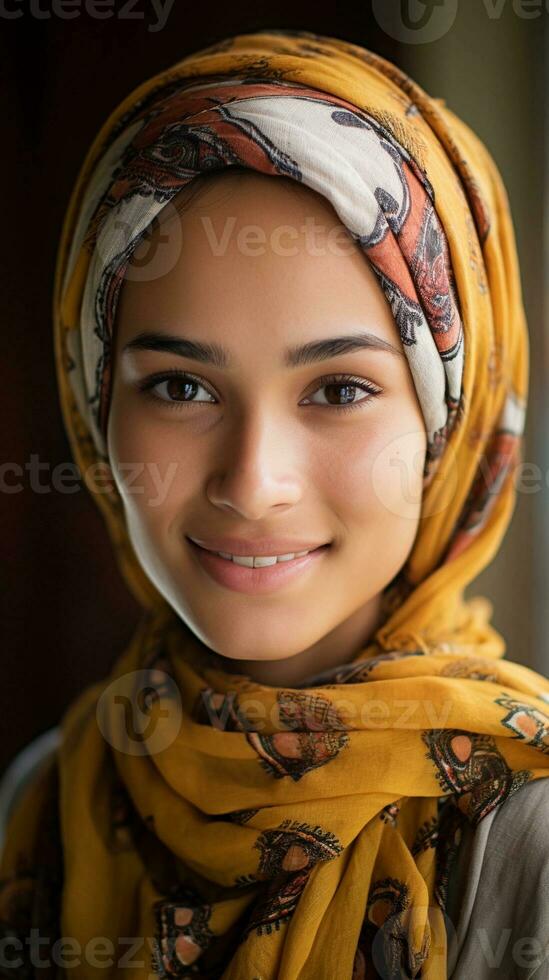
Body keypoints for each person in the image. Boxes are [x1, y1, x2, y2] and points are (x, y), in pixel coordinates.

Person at [1, 27, 549, 980]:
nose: (254, 483)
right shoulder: (49, 797)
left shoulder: (527, 832)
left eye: (338, 389)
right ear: (95, 409)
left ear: (449, 433)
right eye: (179, 387)